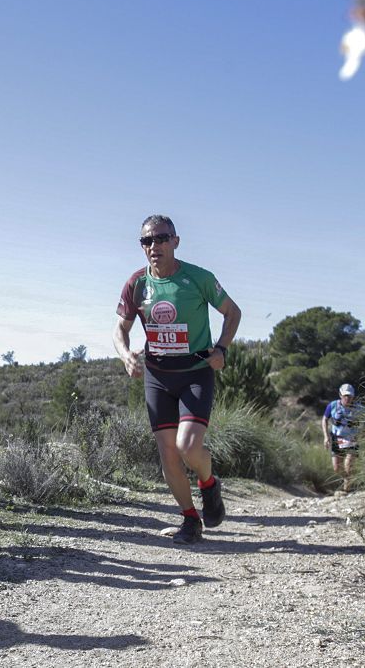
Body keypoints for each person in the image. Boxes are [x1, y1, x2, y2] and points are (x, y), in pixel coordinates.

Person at [113, 214, 241, 545]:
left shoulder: (198, 278)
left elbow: (232, 312)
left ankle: (209, 484)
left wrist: (222, 349)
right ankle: (189, 519)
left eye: (160, 238)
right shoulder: (137, 283)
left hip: (195, 371)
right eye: (146, 241)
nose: (153, 246)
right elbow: (120, 329)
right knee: (168, 452)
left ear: (175, 241)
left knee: (188, 445)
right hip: (158, 375)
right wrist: (126, 354)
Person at [323, 383, 362, 491]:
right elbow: (325, 419)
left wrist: (362, 435)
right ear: (340, 395)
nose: (347, 398)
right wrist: (326, 437)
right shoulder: (333, 405)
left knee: (348, 465)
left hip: (352, 438)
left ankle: (347, 489)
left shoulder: (359, 408)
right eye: (345, 395)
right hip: (337, 438)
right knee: (336, 468)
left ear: (353, 396)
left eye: (349, 396)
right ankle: (348, 479)